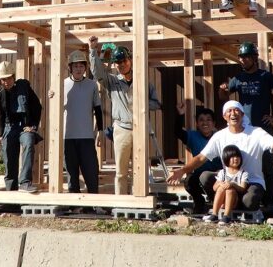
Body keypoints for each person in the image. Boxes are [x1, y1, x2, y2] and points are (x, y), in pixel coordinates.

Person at [166, 101, 273, 213]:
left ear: (242, 115)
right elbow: (201, 158)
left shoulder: (256, 133)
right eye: (229, 111)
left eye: (236, 110)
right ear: (225, 117)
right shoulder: (219, 136)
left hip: (252, 181)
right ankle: (223, 201)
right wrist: (182, 171)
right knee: (205, 177)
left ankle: (232, 203)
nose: (233, 113)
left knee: (249, 202)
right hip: (228, 182)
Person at [219, 41, 273, 206]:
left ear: (254, 58)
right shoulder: (238, 78)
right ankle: (246, 197)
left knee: (267, 164)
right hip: (244, 129)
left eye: (246, 58)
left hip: (263, 127)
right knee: (243, 161)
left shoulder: (266, 77)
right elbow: (223, 98)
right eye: (241, 58)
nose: (242, 61)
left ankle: (270, 201)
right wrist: (222, 89)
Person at [89, 36, 161, 195]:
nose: (121, 65)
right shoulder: (112, 81)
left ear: (130, 60)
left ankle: (140, 198)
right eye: (118, 63)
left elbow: (156, 103)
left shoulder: (142, 81)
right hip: (121, 129)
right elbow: (98, 72)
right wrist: (93, 50)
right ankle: (121, 201)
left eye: (124, 61)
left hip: (140, 129)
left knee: (140, 169)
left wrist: (141, 104)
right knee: (121, 172)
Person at [0, 61, 43, 193]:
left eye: (9, 78)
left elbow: (38, 107)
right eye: (3, 79)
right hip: (9, 127)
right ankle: (11, 188)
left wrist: (33, 126)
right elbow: (1, 115)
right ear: (0, 80)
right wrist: (0, 135)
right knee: (8, 151)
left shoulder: (24, 87)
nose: (6, 81)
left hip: (24, 126)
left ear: (13, 77)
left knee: (28, 143)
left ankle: (25, 182)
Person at [62, 49, 103, 193]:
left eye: (81, 66)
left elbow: (98, 109)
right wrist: (51, 95)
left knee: (91, 171)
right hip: (68, 137)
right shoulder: (62, 84)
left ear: (85, 67)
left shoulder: (92, 85)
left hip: (86, 136)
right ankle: (74, 206)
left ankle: (94, 205)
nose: (78, 69)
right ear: (70, 68)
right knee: (72, 174)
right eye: (75, 66)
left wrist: (100, 131)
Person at [172, 101, 221, 215]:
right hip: (200, 173)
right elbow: (178, 132)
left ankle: (216, 202)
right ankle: (200, 204)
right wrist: (180, 114)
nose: (205, 123)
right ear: (197, 124)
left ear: (214, 123)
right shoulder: (193, 136)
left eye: (208, 120)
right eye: (201, 120)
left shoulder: (220, 136)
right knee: (189, 181)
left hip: (218, 173)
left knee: (208, 179)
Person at [205, 144, 249, 225]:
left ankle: (227, 216)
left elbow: (243, 188)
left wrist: (232, 184)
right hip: (222, 201)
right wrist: (220, 184)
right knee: (220, 188)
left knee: (230, 190)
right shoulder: (223, 172)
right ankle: (214, 214)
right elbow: (214, 188)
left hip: (235, 201)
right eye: (232, 157)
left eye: (237, 157)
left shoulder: (243, 173)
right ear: (226, 159)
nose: (235, 159)